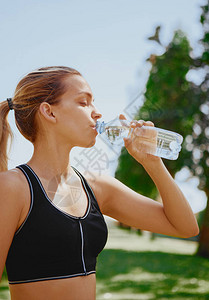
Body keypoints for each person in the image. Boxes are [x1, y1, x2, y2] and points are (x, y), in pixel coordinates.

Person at [0, 66, 199, 300]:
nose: (97, 113)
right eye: (84, 103)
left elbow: (185, 227)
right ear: (49, 112)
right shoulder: (12, 187)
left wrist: (152, 163)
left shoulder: (98, 187)